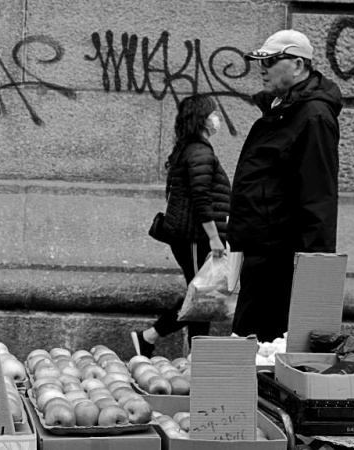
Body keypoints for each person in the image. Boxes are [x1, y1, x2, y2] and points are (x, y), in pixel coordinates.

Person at [229, 29, 342, 342]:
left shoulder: (313, 115)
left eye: (271, 61)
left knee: (259, 354)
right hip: (263, 258)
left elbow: (319, 197)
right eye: (259, 62)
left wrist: (315, 277)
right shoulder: (282, 110)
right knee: (250, 349)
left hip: (281, 265)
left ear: (298, 65)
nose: (262, 69)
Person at [132, 94, 231, 357]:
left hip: (190, 237)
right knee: (203, 297)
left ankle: (193, 356)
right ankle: (151, 337)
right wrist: (214, 237)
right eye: (213, 114)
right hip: (196, 238)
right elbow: (201, 197)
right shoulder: (199, 152)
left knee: (201, 295)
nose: (217, 119)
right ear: (202, 119)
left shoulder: (190, 149)